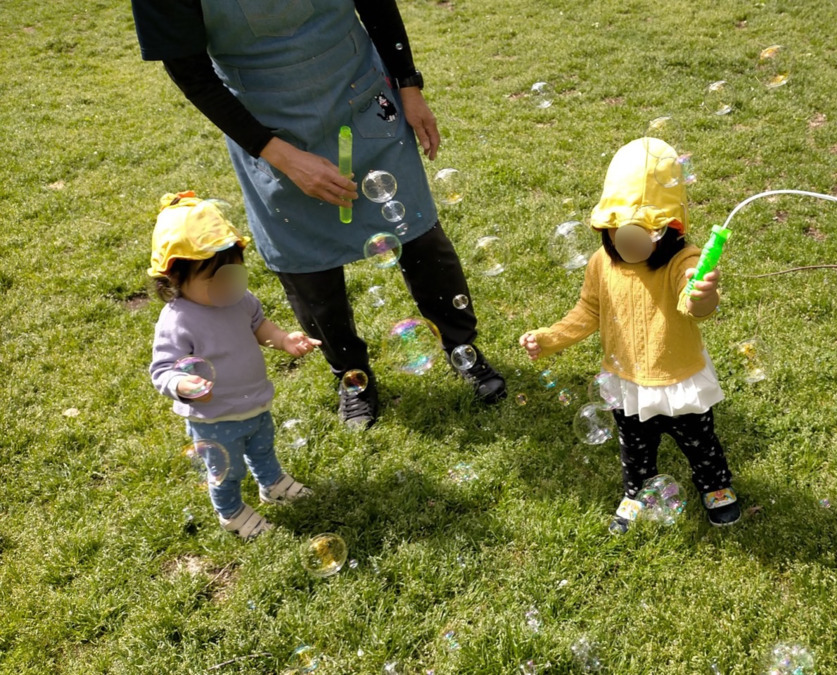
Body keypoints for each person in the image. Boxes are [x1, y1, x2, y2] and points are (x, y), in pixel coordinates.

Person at [131, 0, 506, 430]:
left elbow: (375, 2)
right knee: (306, 262)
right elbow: (189, 70)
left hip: (363, 96)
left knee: (418, 235)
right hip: (268, 127)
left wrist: (408, 86)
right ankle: (352, 379)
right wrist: (282, 157)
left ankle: (465, 350)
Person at [519, 138, 741, 534]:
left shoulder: (684, 260)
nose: (631, 237)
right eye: (620, 225)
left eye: (647, 227)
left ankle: (715, 485)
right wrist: (550, 338)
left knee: (701, 443)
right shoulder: (602, 263)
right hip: (627, 381)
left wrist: (704, 294)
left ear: (671, 226)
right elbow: (588, 311)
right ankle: (636, 491)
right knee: (635, 449)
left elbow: (694, 307)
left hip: (679, 378)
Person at [148, 192, 321, 539]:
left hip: (255, 401)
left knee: (262, 448)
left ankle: (271, 483)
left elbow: (259, 326)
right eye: (214, 279)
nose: (227, 285)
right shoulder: (178, 320)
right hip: (214, 419)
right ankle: (231, 512)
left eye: (232, 273)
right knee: (225, 471)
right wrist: (183, 385)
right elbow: (162, 370)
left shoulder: (241, 300)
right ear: (175, 279)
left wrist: (284, 340)